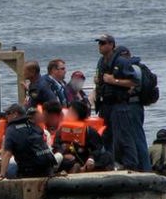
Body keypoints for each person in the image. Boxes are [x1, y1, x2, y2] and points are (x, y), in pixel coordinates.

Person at [94, 33, 147, 171]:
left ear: (111, 45)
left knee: (123, 135)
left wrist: (114, 81)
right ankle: (110, 162)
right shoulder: (101, 62)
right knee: (105, 135)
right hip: (105, 104)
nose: (100, 46)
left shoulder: (121, 62)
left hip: (119, 104)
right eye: (99, 43)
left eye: (103, 43)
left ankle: (131, 163)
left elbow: (134, 82)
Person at [0, 104, 57, 180]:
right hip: (49, 167)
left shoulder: (11, 129)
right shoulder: (33, 125)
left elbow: (7, 153)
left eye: (8, 113)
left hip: (30, 171)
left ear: (15, 114)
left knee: (11, 168)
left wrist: (1, 175)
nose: (6, 116)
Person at [54, 101, 113, 173]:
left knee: (107, 156)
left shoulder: (89, 131)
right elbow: (55, 145)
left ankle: (84, 169)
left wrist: (91, 158)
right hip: (70, 160)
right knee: (64, 161)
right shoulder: (61, 130)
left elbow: (98, 148)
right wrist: (63, 154)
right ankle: (76, 169)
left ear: (78, 115)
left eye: (71, 113)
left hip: (85, 159)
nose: (67, 115)